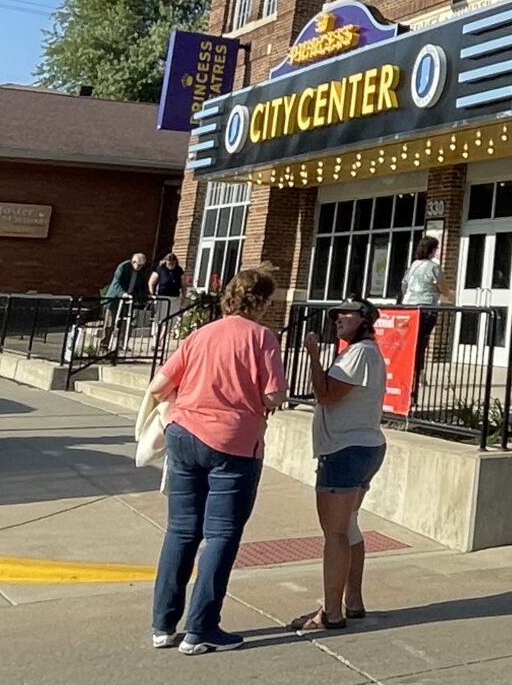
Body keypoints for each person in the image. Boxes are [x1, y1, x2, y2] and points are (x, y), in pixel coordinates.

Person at [147, 266, 286, 655]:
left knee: (180, 530)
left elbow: (159, 387)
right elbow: (274, 396)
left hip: (184, 435)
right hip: (234, 444)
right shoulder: (262, 338)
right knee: (222, 535)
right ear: (259, 301)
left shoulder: (199, 334)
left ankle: (163, 624)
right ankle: (201, 627)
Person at [291, 299, 388, 634]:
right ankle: (353, 600)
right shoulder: (360, 353)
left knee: (335, 533)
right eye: (336, 315)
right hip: (361, 447)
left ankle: (331, 613)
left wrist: (314, 355)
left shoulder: (361, 352)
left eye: (346, 314)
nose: (338, 319)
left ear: (364, 320)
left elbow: (326, 394)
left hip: (346, 450)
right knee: (348, 527)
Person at [399, 236, 449, 383]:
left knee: (411, 341)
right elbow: (443, 288)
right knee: (422, 341)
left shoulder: (414, 265)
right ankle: (418, 374)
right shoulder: (434, 267)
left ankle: (409, 371)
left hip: (409, 306)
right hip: (427, 307)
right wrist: (449, 294)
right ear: (432, 250)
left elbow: (404, 285)